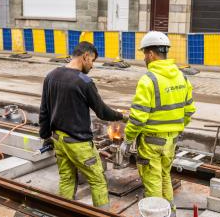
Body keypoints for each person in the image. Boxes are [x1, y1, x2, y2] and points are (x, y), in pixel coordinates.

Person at [39, 41, 125, 209]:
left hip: (59, 140)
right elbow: (102, 112)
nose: (92, 65)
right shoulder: (84, 82)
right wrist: (122, 116)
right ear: (85, 56)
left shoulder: (51, 76)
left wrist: (45, 136)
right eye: (92, 61)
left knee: (66, 178)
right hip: (79, 144)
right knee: (97, 179)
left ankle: (63, 212)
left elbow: (44, 110)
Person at [120, 31, 196, 216]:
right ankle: (171, 212)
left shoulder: (148, 80)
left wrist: (128, 140)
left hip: (151, 143)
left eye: (145, 53)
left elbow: (138, 118)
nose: (145, 58)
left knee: (152, 182)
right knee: (164, 177)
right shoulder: (182, 77)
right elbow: (189, 111)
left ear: (151, 54)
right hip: (171, 141)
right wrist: (174, 129)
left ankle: (157, 214)